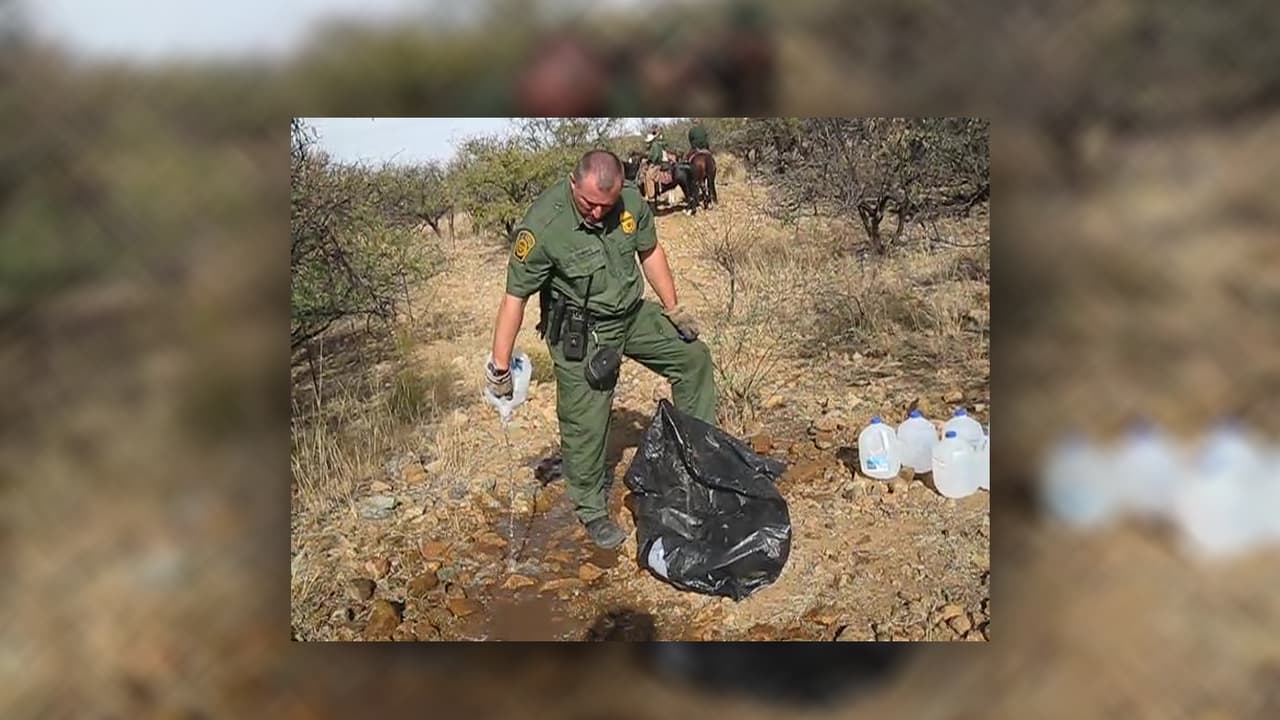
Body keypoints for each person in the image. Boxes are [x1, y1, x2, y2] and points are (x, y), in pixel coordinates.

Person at [485, 150, 715, 549]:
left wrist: (674, 309)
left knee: (693, 358)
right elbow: (514, 300)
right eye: (588, 204)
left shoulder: (630, 201)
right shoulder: (545, 226)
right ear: (573, 183)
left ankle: (698, 461)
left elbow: (650, 253)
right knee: (585, 422)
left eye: (604, 207)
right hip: (582, 331)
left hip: (630, 313)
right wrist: (500, 369)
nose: (595, 213)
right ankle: (591, 509)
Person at [640, 125, 668, 202]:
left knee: (648, 176)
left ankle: (650, 195)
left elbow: (655, 156)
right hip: (658, 162)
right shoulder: (656, 144)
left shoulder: (654, 146)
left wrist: (649, 161)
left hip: (655, 164)